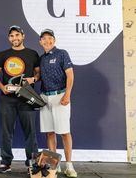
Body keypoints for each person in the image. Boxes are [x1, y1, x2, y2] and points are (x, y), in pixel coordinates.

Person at [0, 25, 40, 173]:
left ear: (23, 36)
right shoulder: (3, 54)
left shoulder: (33, 54)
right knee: (6, 131)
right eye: (12, 36)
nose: (15, 38)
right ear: (9, 38)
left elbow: (38, 74)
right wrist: (2, 87)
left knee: (30, 131)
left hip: (27, 97)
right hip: (8, 99)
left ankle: (31, 163)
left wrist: (33, 79)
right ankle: (5, 162)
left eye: (17, 35)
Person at [38, 29, 77, 178]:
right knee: (50, 132)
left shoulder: (62, 53)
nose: (47, 41)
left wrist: (67, 94)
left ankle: (69, 165)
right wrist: (32, 79)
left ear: (54, 40)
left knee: (64, 132)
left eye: (50, 38)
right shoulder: (41, 58)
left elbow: (70, 75)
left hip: (60, 96)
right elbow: (39, 77)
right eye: (44, 38)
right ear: (40, 42)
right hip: (45, 98)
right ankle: (54, 165)